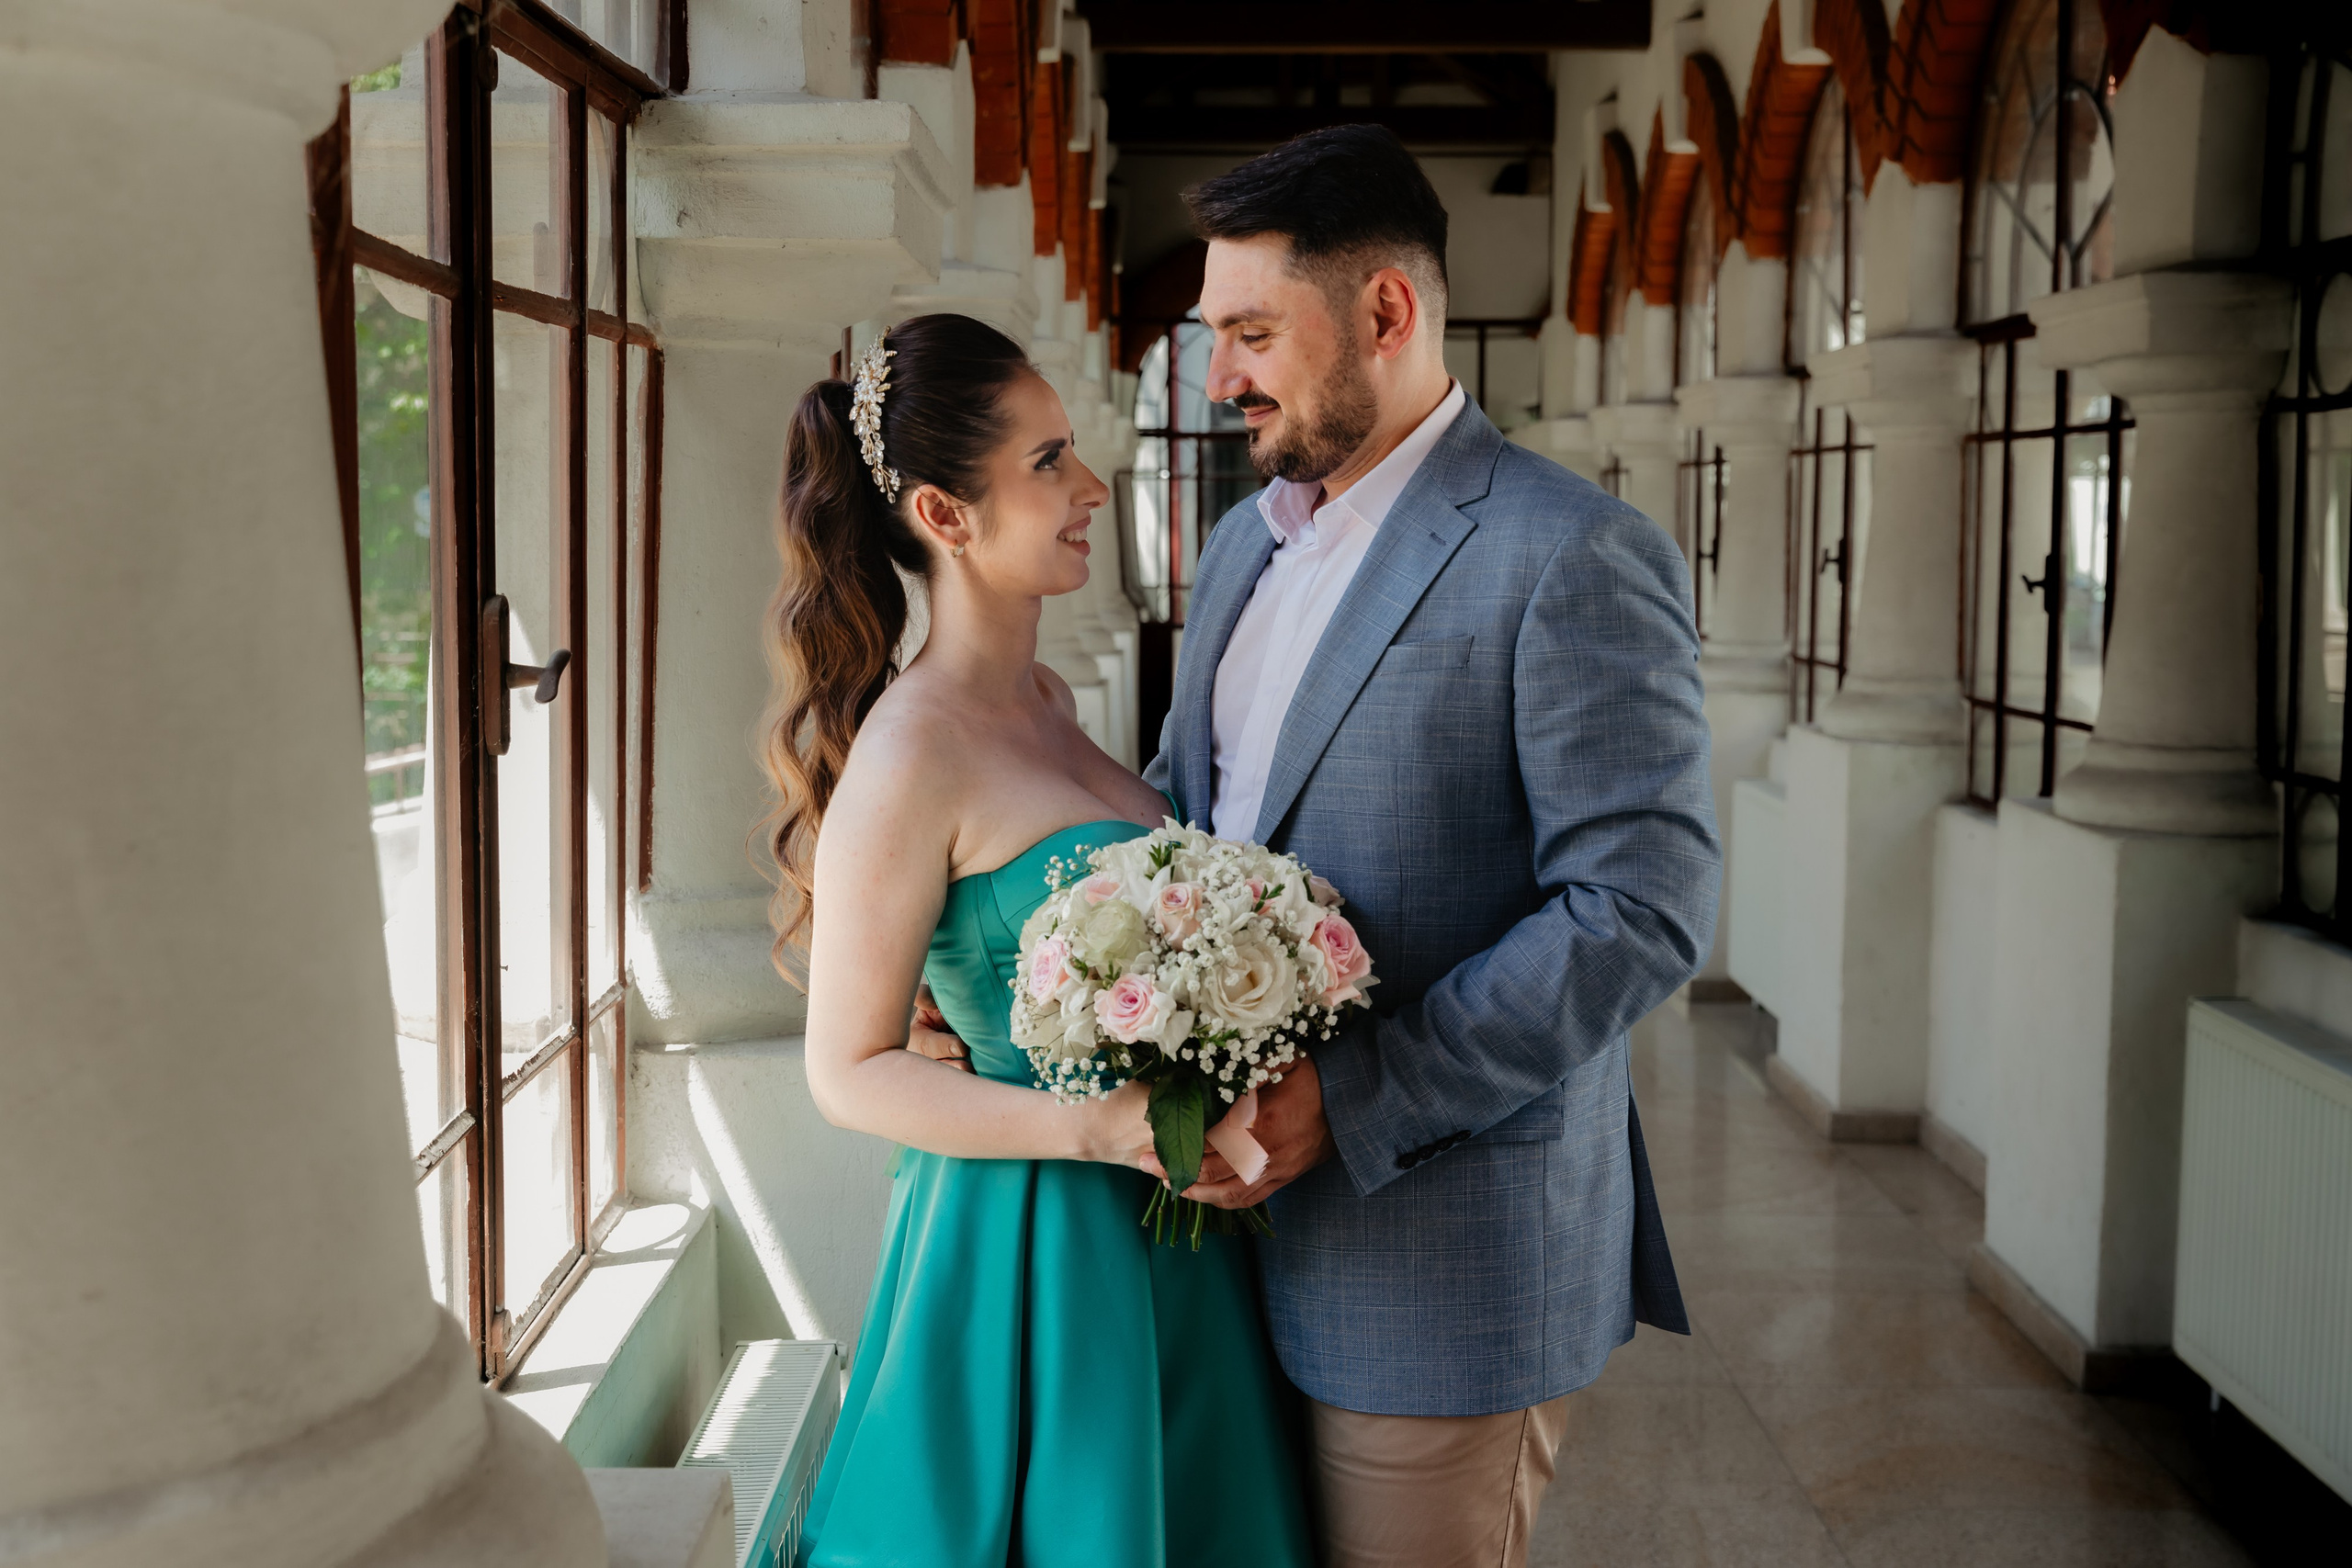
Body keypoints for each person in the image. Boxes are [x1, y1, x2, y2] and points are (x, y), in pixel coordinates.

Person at [1140, 125, 1720, 1568]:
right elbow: (1180, 809)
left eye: (1254, 333)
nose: (1221, 378)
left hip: (1442, 1261)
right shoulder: (1240, 546)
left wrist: (1349, 1096)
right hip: (1218, 1245)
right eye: (1217, 337)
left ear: (1388, 312)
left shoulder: (1570, 553)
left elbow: (1638, 909)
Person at [765, 312, 1314, 1568]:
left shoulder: (1053, 702)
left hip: (1167, 1222)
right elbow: (845, 1070)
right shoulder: (912, 752)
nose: (1089, 487)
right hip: (1030, 1249)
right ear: (944, 517)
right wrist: (1095, 1127)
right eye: (1048, 462)